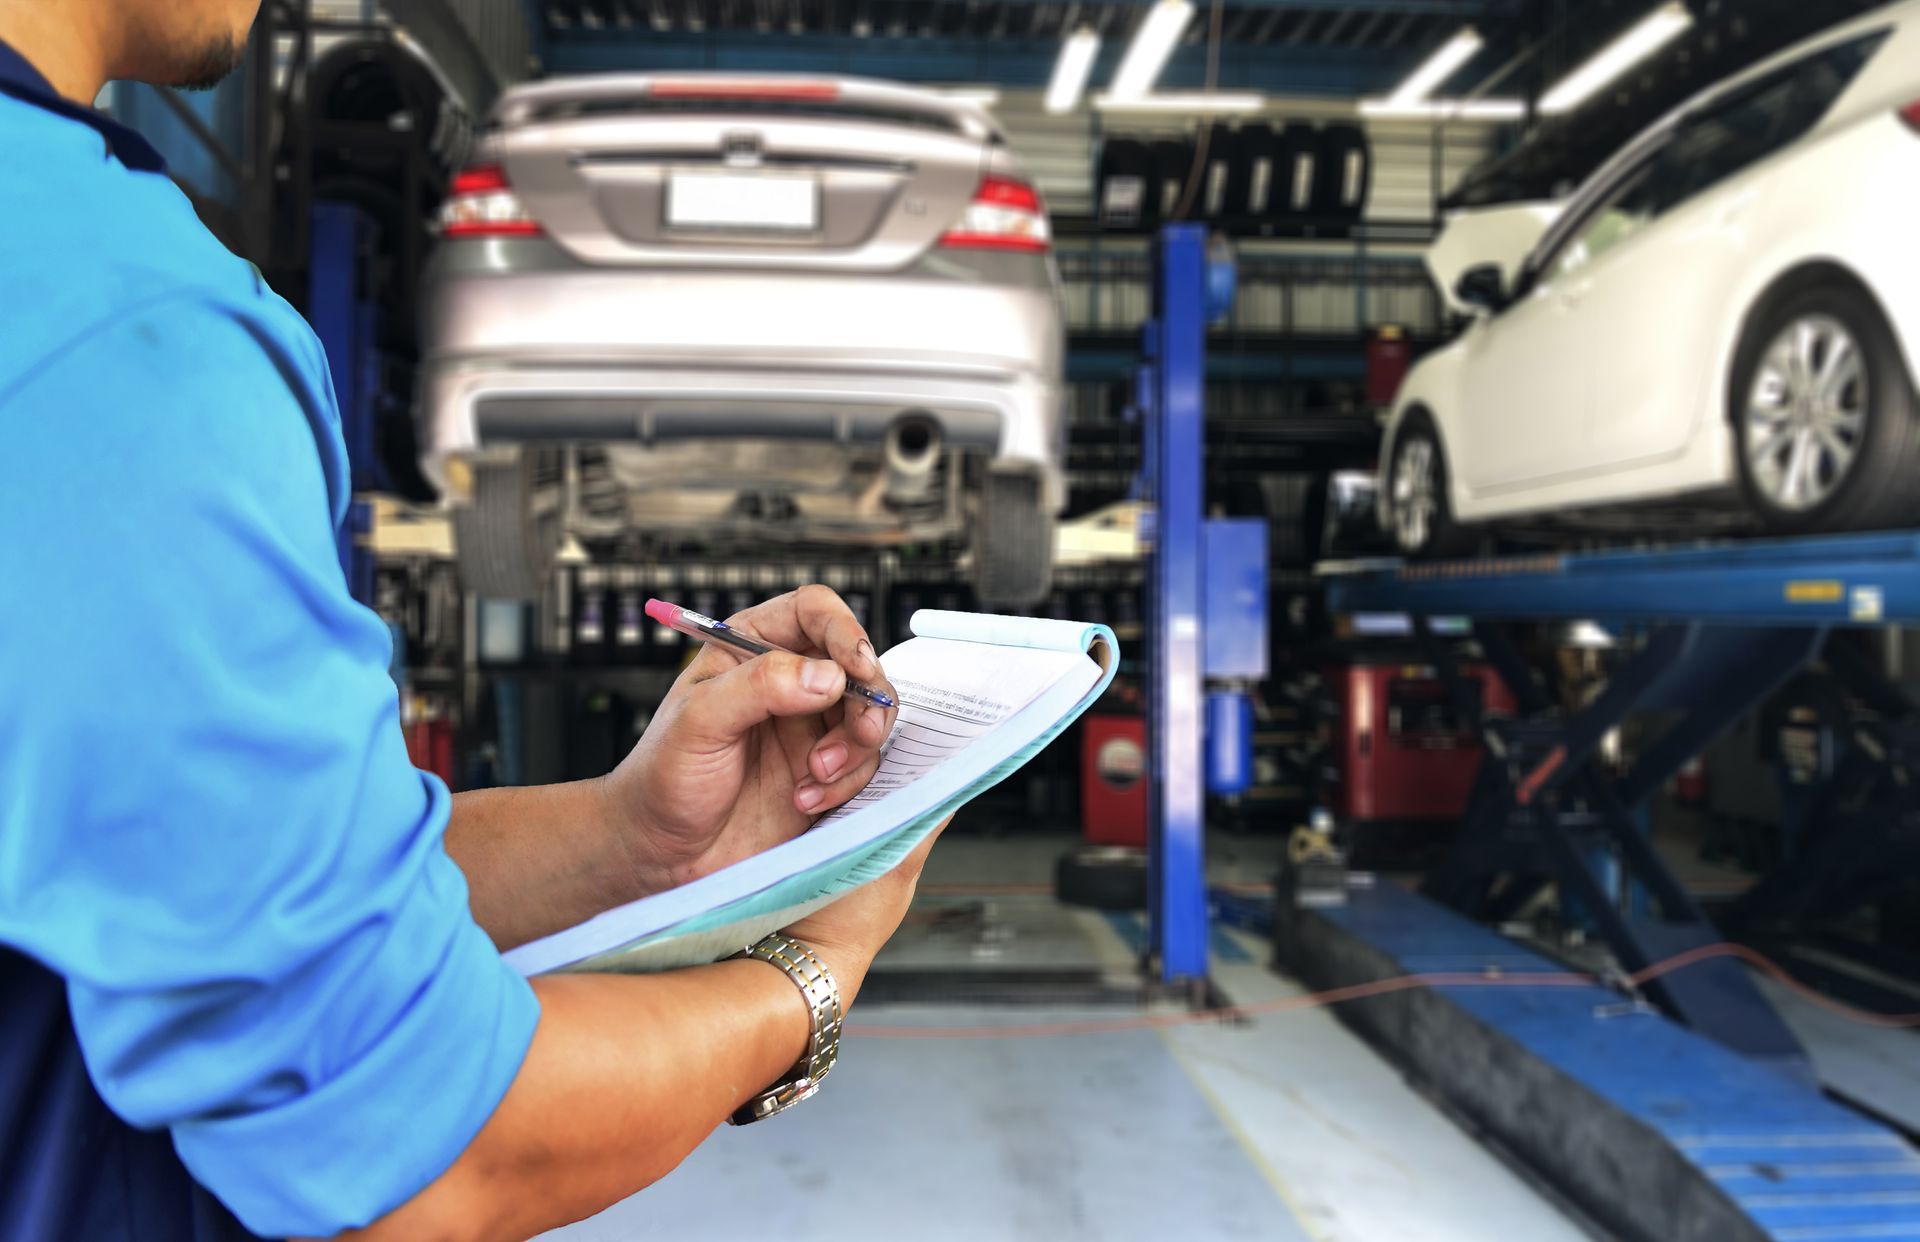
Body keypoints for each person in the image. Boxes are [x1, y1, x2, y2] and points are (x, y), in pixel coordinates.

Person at [0, 3, 939, 1239]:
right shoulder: (119, 334)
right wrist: (814, 974)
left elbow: (214, 878)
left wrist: (633, 836)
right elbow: (424, 1161)